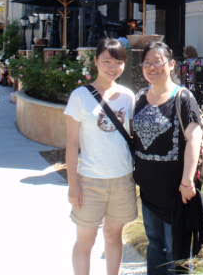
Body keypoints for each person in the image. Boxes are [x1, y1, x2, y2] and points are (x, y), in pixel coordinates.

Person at [64, 38, 137, 275]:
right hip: (90, 181)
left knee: (114, 236)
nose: (112, 67)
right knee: (85, 240)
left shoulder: (128, 96)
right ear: (96, 61)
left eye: (118, 62)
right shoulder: (80, 96)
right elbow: (72, 144)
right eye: (106, 61)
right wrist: (73, 185)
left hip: (122, 179)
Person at [131, 41, 203, 275]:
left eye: (158, 62)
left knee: (176, 251)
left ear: (171, 64)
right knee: (155, 246)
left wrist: (187, 181)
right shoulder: (140, 97)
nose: (152, 67)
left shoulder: (183, 97)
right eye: (147, 63)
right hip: (149, 191)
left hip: (177, 192)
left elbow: (194, 138)